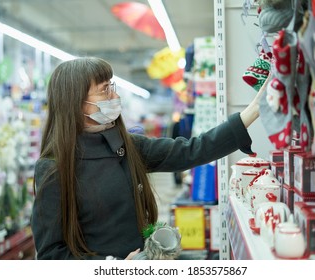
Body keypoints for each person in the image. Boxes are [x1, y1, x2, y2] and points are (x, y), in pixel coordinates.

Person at [31, 57, 268, 260]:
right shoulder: (54, 168)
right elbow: (51, 254)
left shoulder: (127, 147)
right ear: (75, 102)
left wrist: (253, 110)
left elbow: (191, 150)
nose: (114, 95)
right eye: (105, 89)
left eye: (112, 86)